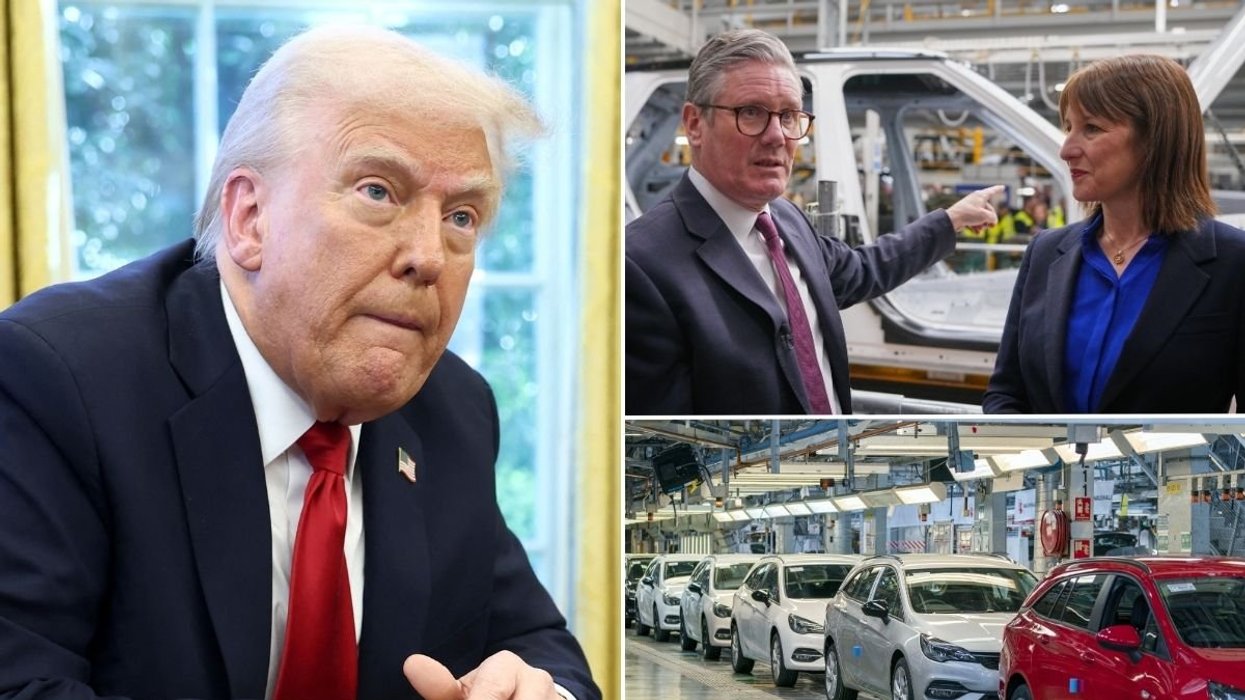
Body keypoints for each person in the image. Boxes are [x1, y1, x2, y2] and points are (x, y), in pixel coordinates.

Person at [0, 26, 598, 700]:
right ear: (249, 218)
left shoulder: (454, 409)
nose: (429, 256)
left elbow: (538, 645)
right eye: (378, 191)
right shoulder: (57, 378)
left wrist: (534, 690)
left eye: (462, 216)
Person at [625, 29, 1002, 415]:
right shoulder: (640, 265)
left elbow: (859, 269)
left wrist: (949, 221)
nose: (777, 136)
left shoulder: (786, 220)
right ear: (694, 124)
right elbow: (662, 449)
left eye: (789, 116)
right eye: (750, 113)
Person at [984, 54, 1245, 413]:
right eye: (1068, 128)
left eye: (1091, 128)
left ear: (1156, 139)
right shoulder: (1046, 254)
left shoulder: (1233, 264)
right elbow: (1007, 394)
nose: (1066, 150)